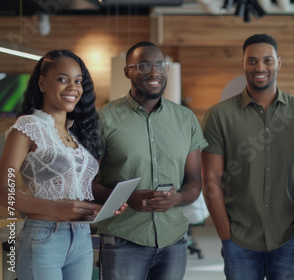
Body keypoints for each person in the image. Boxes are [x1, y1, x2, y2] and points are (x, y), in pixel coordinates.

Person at [201, 33, 294, 280]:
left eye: (267, 60)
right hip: (239, 239)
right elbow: (211, 179)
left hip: (289, 237)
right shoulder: (219, 115)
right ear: (243, 64)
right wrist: (225, 235)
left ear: (279, 63)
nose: (260, 67)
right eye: (252, 61)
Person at [93, 41, 208, 280]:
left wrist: (178, 198)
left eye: (159, 65)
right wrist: (125, 198)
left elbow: (194, 180)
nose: (154, 72)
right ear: (128, 71)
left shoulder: (186, 119)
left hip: (174, 242)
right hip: (123, 240)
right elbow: (85, 183)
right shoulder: (103, 120)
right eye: (144, 65)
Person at [0, 50, 103, 279]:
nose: (72, 87)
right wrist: (56, 208)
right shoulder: (28, 126)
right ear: (42, 82)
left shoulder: (76, 135)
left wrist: (97, 208)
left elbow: (76, 190)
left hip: (82, 238)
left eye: (78, 81)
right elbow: (3, 191)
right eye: (62, 79)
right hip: (43, 238)